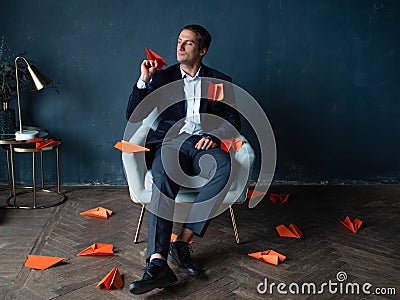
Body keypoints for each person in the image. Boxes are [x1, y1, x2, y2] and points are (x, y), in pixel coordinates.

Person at [126, 24, 241, 295]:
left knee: (224, 168)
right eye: (179, 41)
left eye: (188, 43)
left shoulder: (219, 81)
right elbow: (133, 114)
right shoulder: (162, 78)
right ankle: (156, 265)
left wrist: (214, 135)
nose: (180, 46)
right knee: (163, 176)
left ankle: (183, 241)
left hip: (204, 145)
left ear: (202, 50)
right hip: (170, 143)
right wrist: (144, 80)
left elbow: (233, 120)